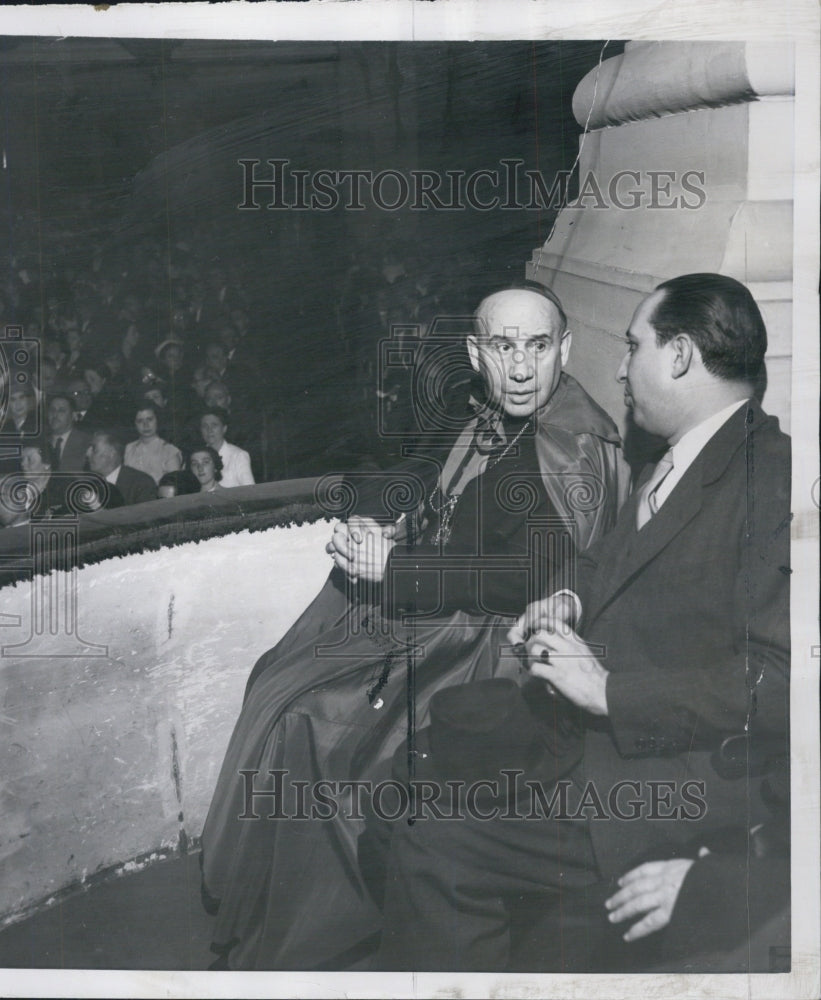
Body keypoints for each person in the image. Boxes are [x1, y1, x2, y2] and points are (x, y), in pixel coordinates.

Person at [199, 284, 629, 970]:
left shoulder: (570, 443)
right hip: (444, 614)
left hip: (501, 649)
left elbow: (530, 576)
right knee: (277, 677)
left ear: (565, 350)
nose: (520, 367)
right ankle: (292, 919)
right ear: (475, 352)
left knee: (311, 719)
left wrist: (397, 567)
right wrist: (383, 517)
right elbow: (428, 479)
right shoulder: (491, 415)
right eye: (502, 345)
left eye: (538, 346)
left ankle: (328, 931)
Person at [376, 274, 790, 972]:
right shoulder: (679, 453)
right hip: (605, 744)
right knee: (404, 780)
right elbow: (602, 559)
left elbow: (779, 684)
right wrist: (565, 598)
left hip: (675, 779)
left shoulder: (774, 483)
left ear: (681, 355)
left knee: (427, 841)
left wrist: (608, 693)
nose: (621, 367)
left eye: (634, 347)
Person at [87, 431, 158, 506]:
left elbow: (143, 517)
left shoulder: (141, 484)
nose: (87, 453)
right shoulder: (88, 484)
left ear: (111, 453)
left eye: (94, 449)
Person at [123, 402, 183, 484]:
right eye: (140, 421)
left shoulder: (169, 451)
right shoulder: (129, 448)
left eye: (150, 419)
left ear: (158, 420)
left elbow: (174, 487)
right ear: (134, 424)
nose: (146, 425)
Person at [198, 406, 255, 487]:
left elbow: (250, 492)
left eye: (214, 425)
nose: (209, 430)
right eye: (205, 426)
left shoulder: (238, 456)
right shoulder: (196, 457)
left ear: (224, 429)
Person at [46, 393, 92, 473]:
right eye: (52, 410)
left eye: (61, 411)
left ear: (73, 415)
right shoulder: (41, 442)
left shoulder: (86, 442)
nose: (55, 415)